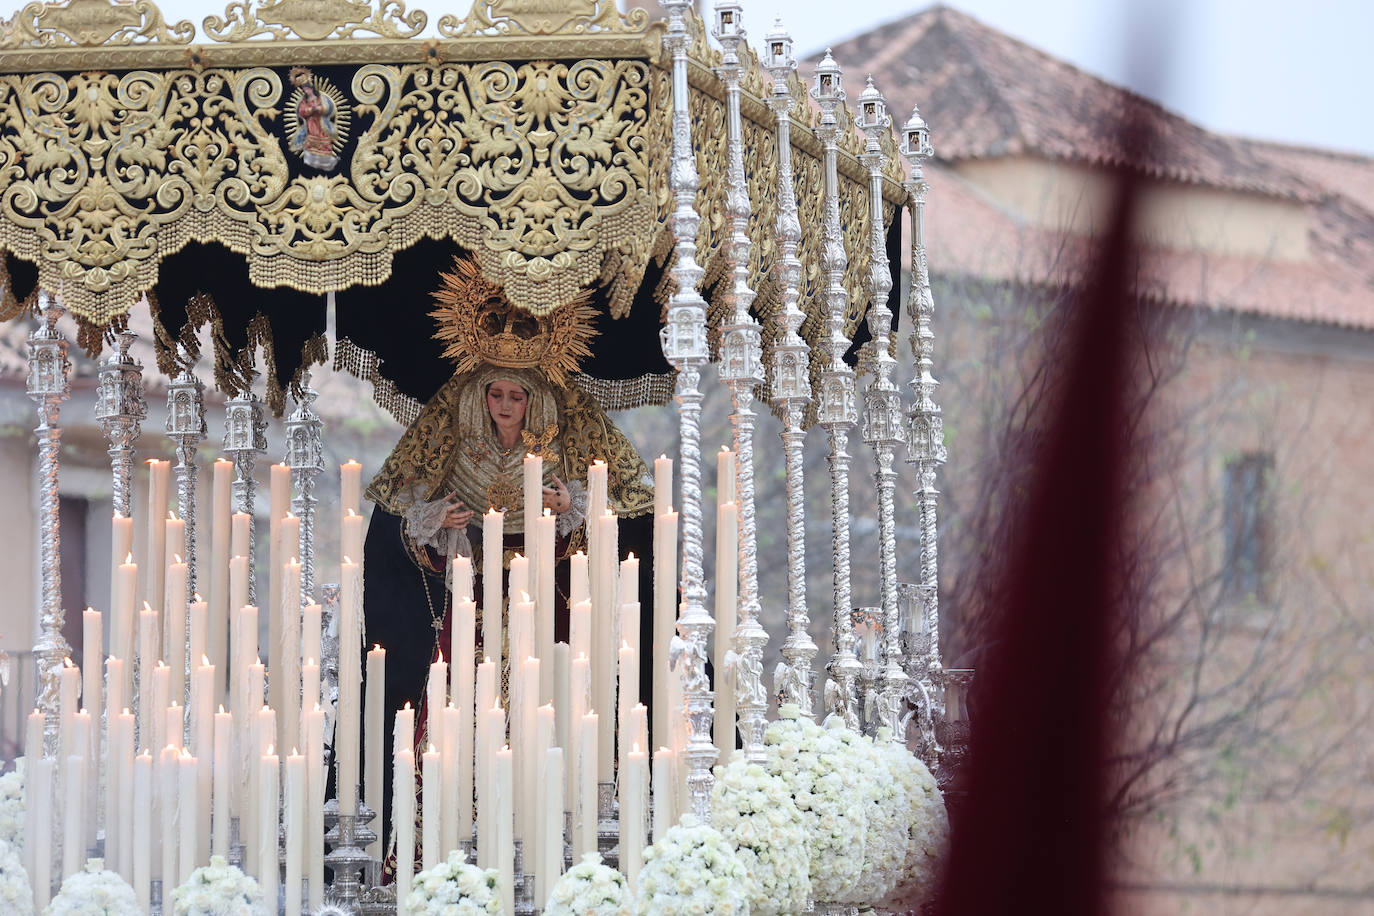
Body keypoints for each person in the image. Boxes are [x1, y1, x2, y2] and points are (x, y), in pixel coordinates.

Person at [357, 257, 654, 855]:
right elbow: (400, 521)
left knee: (553, 712)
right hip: (470, 604)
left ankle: (558, 839)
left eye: (516, 395)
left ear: (535, 398)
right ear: (478, 394)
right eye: (494, 392)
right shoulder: (451, 433)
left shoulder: (571, 428)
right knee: (456, 715)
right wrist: (435, 521)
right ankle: (443, 839)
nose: (504, 404)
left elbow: (622, 517)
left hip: (551, 605)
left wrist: (572, 508)